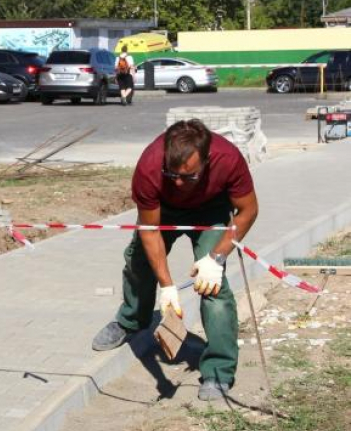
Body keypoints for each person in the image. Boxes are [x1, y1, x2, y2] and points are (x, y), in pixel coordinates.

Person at [91, 119, 258, 401]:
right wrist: (167, 287)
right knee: (138, 263)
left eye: (189, 176)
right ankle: (131, 320)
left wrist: (216, 258)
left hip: (211, 211)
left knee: (213, 287)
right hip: (163, 212)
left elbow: (248, 211)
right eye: (173, 175)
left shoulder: (228, 159)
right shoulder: (150, 166)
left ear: (207, 160)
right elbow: (150, 230)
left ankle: (218, 371)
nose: (179, 183)